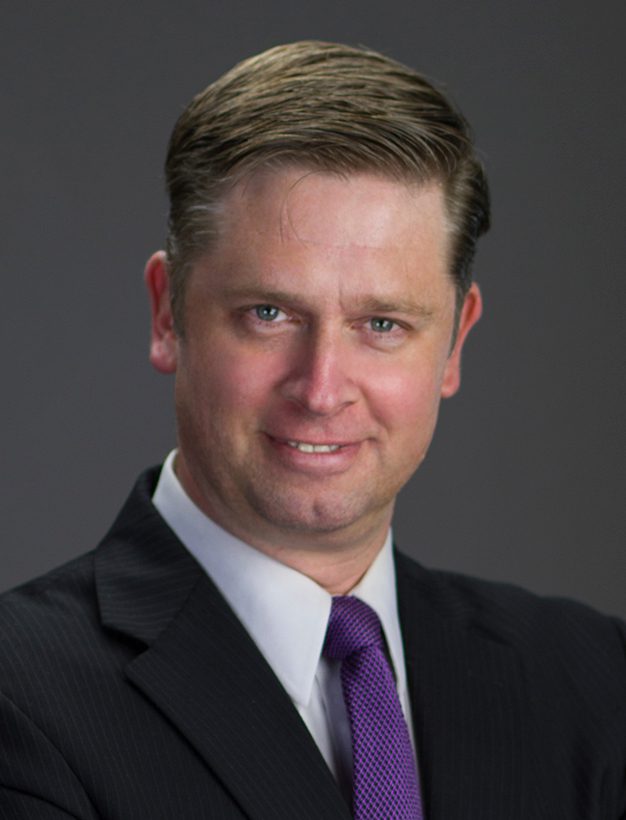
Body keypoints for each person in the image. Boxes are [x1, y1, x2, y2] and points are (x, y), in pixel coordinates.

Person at [0, 41, 624, 820]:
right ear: (168, 313)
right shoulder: (19, 698)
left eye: (383, 323)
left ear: (456, 343)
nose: (323, 389)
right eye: (268, 314)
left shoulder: (595, 682)